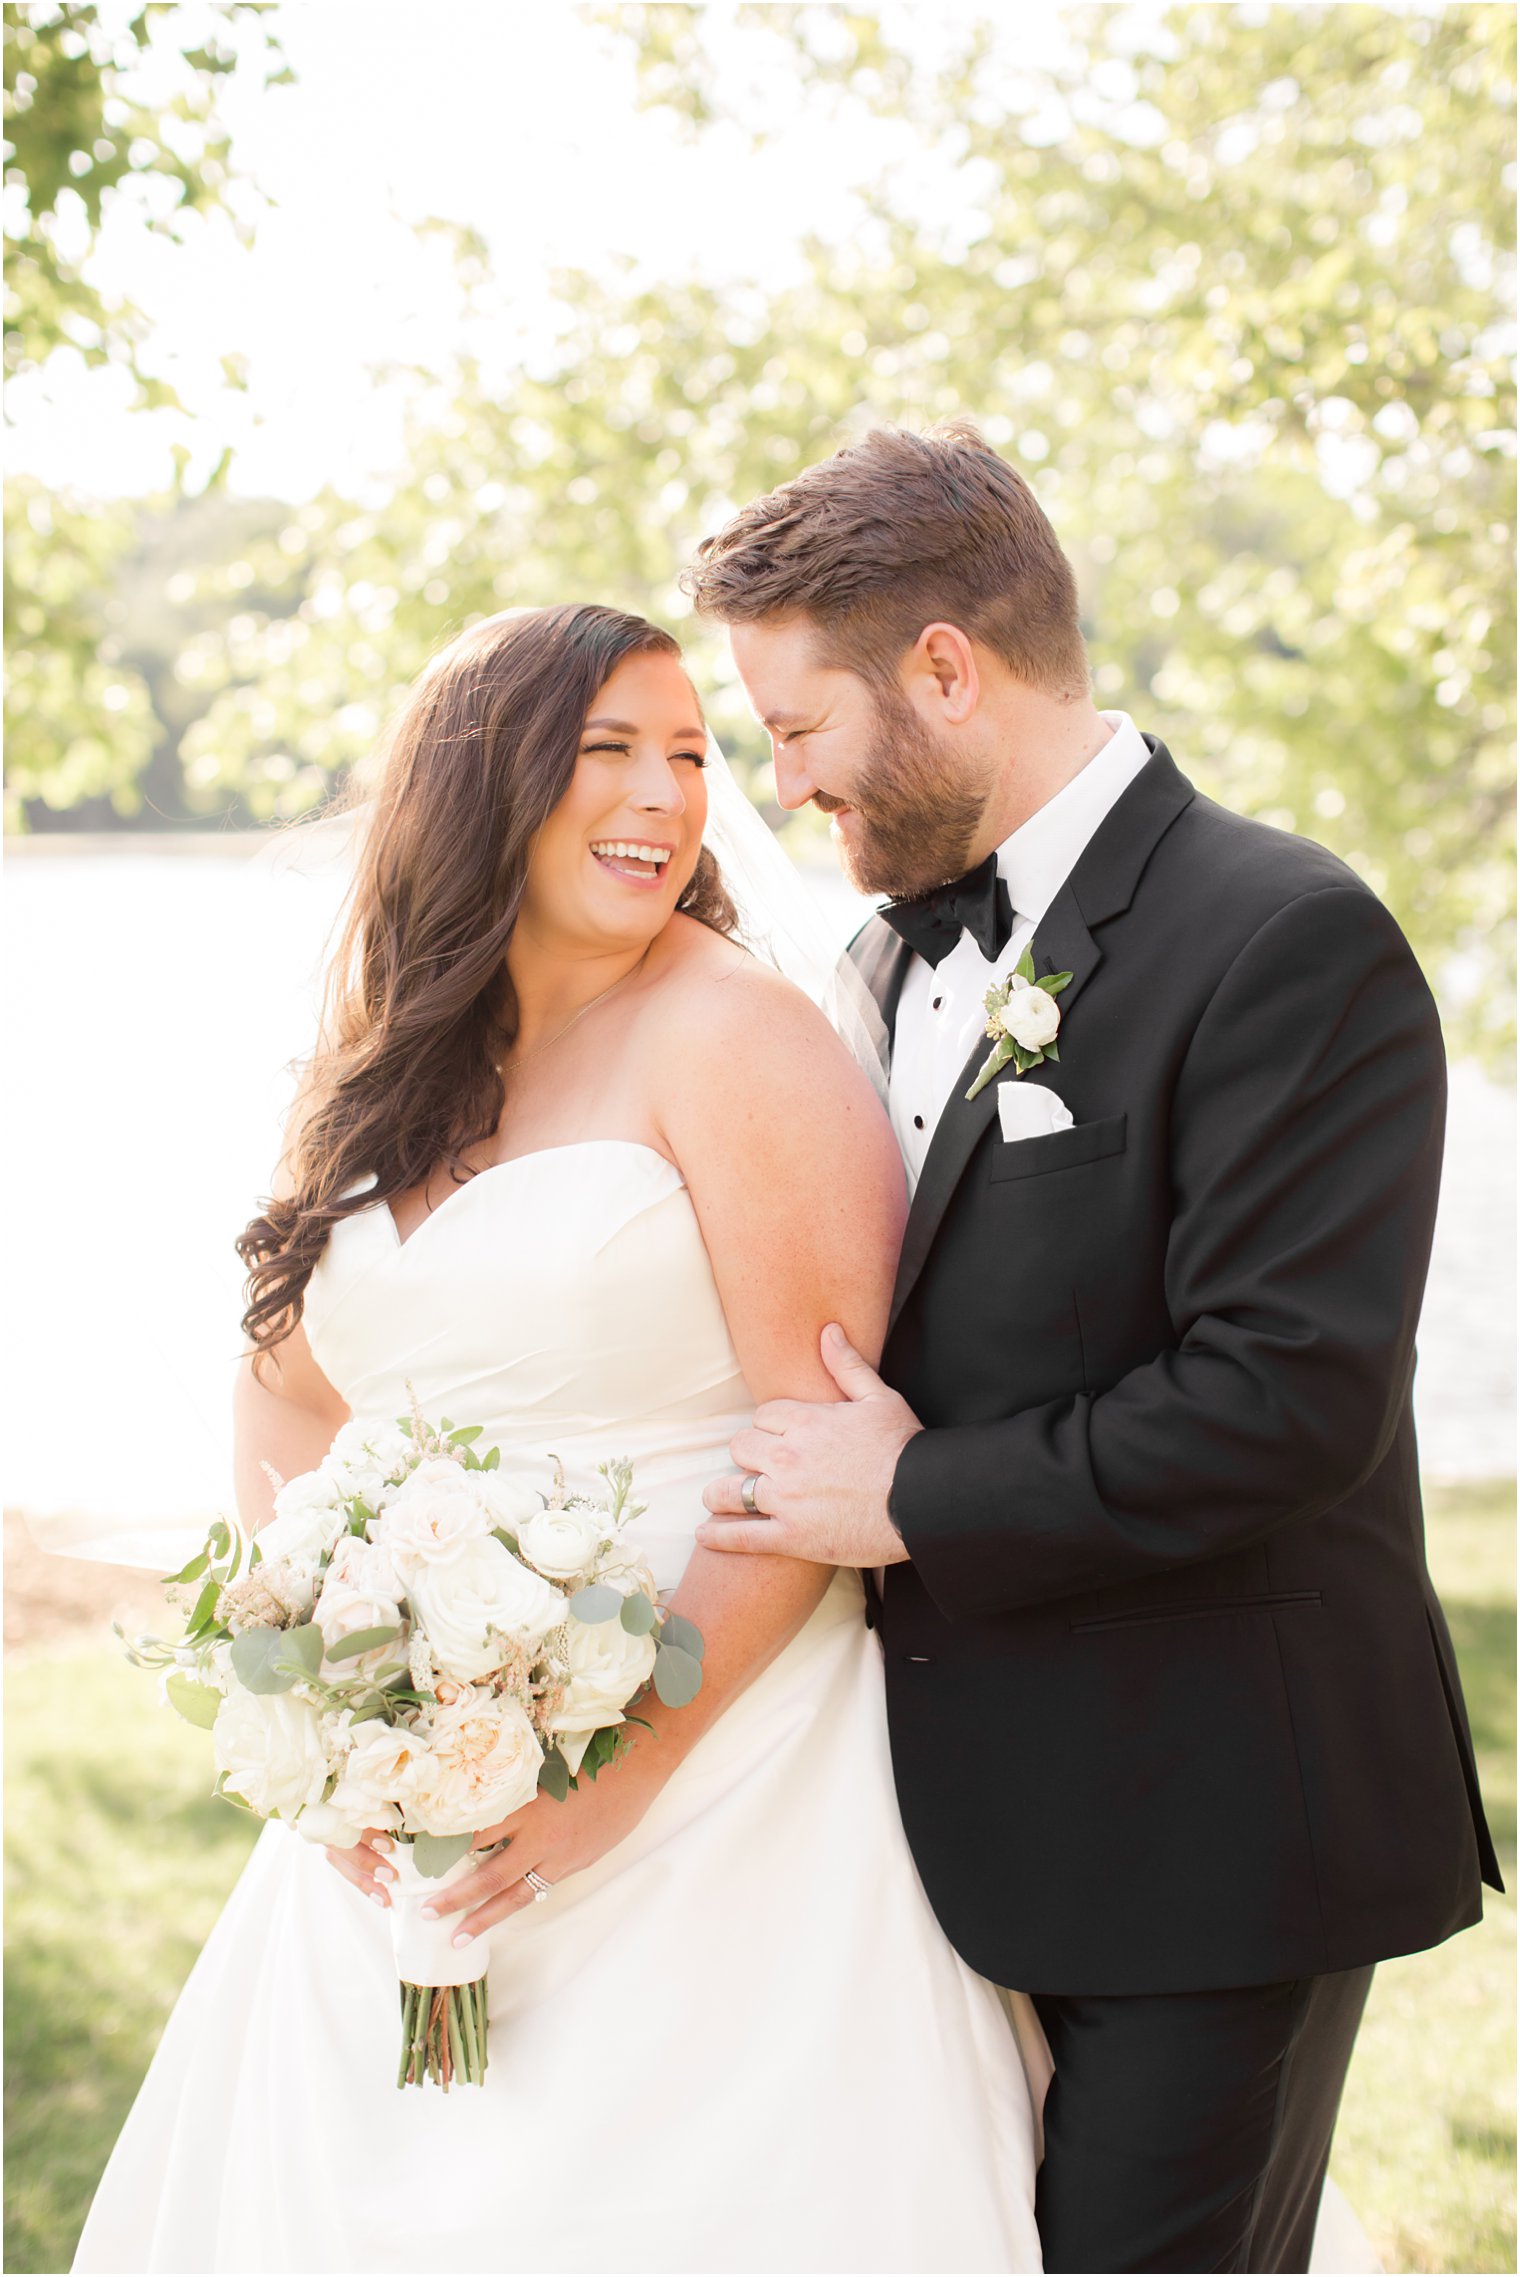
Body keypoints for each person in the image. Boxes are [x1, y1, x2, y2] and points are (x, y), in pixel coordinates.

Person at [71, 602, 1046, 2275]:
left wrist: (623, 1769)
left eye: (691, 753)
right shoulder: (390, 1063)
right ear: (482, 783)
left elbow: (820, 1440)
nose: (669, 795)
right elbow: (286, 1391)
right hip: (407, 1803)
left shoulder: (740, 1035)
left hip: (721, 1762)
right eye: (610, 750)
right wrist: (316, 1690)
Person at [693, 421, 1502, 2275]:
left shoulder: (1287, 935)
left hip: (1214, 1830)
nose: (788, 784)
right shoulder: (883, 966)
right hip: (941, 1843)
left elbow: (1280, 1399)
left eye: (800, 729)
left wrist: (909, 1495)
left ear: (947, 674)